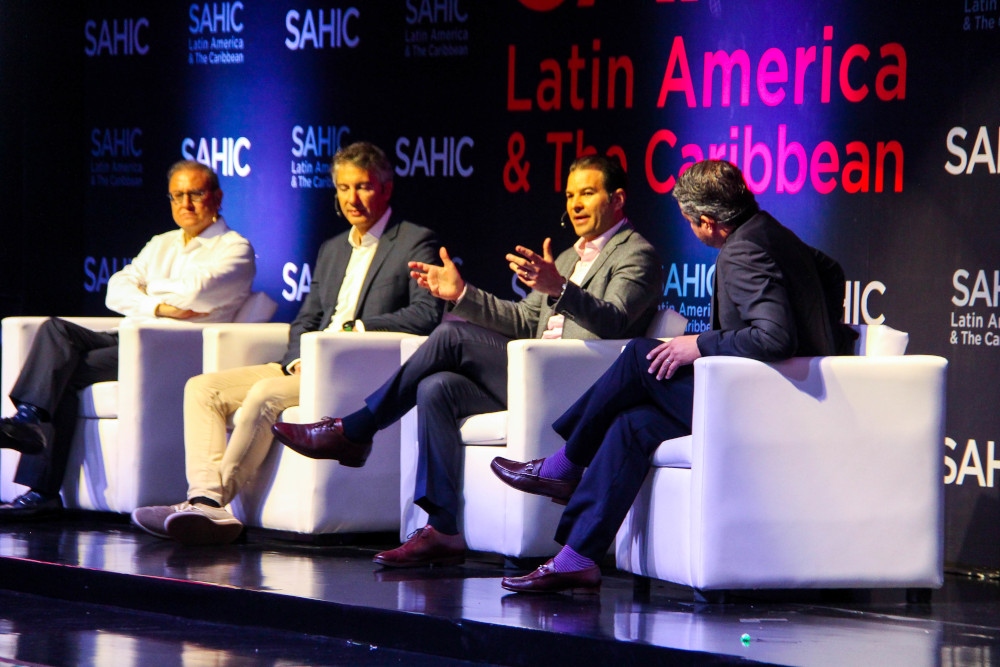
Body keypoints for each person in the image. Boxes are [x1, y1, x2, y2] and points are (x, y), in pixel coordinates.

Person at [271, 154, 664, 568]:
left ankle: (355, 429)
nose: (575, 204)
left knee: (450, 334)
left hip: (576, 387)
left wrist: (561, 289)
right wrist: (461, 295)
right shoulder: (567, 257)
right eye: (570, 195)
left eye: (588, 193)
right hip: (532, 374)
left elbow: (616, 320)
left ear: (617, 199)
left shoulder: (637, 254)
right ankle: (442, 527)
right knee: (435, 387)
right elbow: (525, 320)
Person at [491, 159, 857, 593]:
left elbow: (774, 338)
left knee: (638, 357)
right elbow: (832, 272)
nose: (690, 229)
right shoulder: (770, 231)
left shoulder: (743, 251)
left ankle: (565, 463)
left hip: (760, 405)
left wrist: (700, 344)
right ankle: (579, 557)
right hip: (763, 392)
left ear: (707, 222)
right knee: (631, 426)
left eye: (689, 222)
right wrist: (820, 337)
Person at [130, 141, 444, 545]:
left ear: (385, 189)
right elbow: (307, 319)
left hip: (353, 371)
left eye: (363, 187)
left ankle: (209, 504)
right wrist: (298, 359)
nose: (353, 198)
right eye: (344, 188)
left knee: (264, 393)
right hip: (305, 366)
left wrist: (355, 330)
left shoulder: (414, 241)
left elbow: (425, 314)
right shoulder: (333, 249)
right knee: (201, 388)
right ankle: (204, 499)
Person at [0, 160, 256, 519]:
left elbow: (196, 293)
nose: (186, 204)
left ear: (216, 197)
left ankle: (41, 487)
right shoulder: (161, 243)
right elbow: (115, 290)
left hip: (172, 351)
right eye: (177, 195)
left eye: (195, 194)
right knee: (56, 330)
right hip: (132, 339)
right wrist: (161, 305)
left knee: (63, 373)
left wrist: (149, 293)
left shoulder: (235, 249)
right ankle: (29, 418)